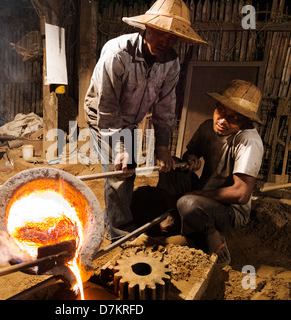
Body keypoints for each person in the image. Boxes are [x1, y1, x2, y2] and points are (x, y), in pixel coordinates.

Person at [84, 0, 207, 240]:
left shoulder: (171, 63)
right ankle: (119, 233)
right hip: (103, 116)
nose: (166, 42)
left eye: (173, 38)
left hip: (130, 121)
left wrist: (162, 147)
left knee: (130, 171)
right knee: (120, 171)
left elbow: (165, 106)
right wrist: (120, 149)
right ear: (147, 27)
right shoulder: (117, 53)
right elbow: (108, 108)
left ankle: (118, 218)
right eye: (161, 33)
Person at [152, 79, 264, 268]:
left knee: (188, 203)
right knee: (172, 167)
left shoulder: (248, 141)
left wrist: (198, 194)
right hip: (205, 193)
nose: (222, 121)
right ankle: (173, 216)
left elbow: (241, 194)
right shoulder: (207, 127)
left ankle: (213, 236)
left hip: (229, 209)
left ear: (246, 120)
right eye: (221, 110)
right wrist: (191, 159)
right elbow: (190, 152)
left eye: (234, 117)